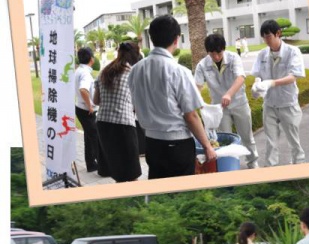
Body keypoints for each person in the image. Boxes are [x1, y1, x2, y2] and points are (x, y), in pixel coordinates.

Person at [128, 15, 216, 179]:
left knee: (160, 193)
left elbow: (134, 105)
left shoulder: (136, 70)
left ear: (151, 38)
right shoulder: (178, 71)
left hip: (151, 143)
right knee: (182, 196)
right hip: (177, 144)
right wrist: (207, 146)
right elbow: (191, 115)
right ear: (176, 39)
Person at [195, 34, 259, 169]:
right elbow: (197, 86)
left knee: (247, 137)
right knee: (225, 139)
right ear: (208, 52)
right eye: (212, 53)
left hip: (239, 103)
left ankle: (253, 163)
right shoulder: (202, 64)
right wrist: (198, 101)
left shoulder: (233, 58)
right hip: (220, 109)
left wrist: (229, 94)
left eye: (219, 52)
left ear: (223, 49)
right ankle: (230, 166)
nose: (216, 56)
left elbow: (241, 77)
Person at [250, 20, 306, 167]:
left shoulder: (293, 52)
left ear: (278, 34)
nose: (266, 40)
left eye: (268, 36)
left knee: (293, 139)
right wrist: (257, 85)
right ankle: (270, 167)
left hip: (288, 103)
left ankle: (298, 164)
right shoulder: (262, 54)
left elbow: (294, 76)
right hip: (269, 104)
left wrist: (271, 83)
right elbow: (258, 74)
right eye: (263, 37)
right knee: (270, 140)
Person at [92, 41, 143, 182]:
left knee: (117, 170)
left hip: (103, 124)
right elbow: (138, 103)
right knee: (132, 172)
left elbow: (96, 101)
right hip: (123, 123)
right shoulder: (132, 73)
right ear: (135, 55)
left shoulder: (104, 71)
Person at [74, 47, 100, 173]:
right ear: (91, 59)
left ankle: (90, 164)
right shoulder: (85, 73)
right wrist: (90, 105)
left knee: (89, 138)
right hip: (86, 110)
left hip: (80, 108)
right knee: (95, 138)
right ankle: (102, 165)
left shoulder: (79, 70)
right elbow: (83, 89)